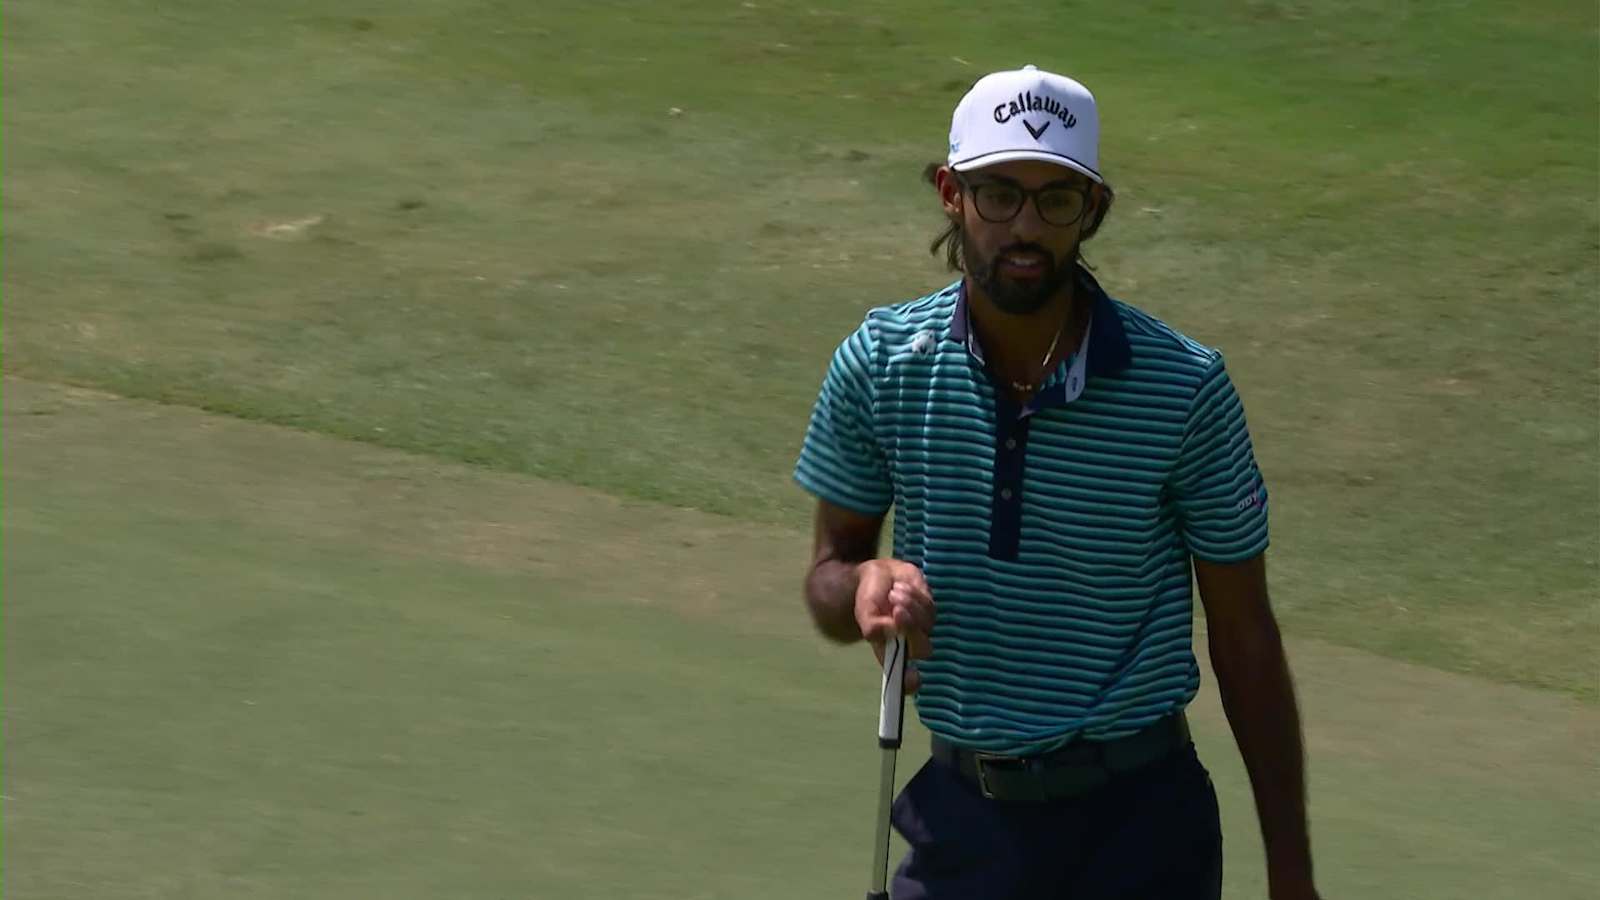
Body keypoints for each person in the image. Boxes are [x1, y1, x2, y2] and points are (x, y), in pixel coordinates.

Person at [793, 65, 1322, 899]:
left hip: (1141, 827)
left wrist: (1291, 874)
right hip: (963, 819)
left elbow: (1244, 633)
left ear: (1093, 209)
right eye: (1000, 194)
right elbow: (829, 572)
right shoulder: (882, 363)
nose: (1026, 227)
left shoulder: (1183, 386)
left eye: (1057, 199)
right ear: (952, 194)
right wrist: (862, 584)